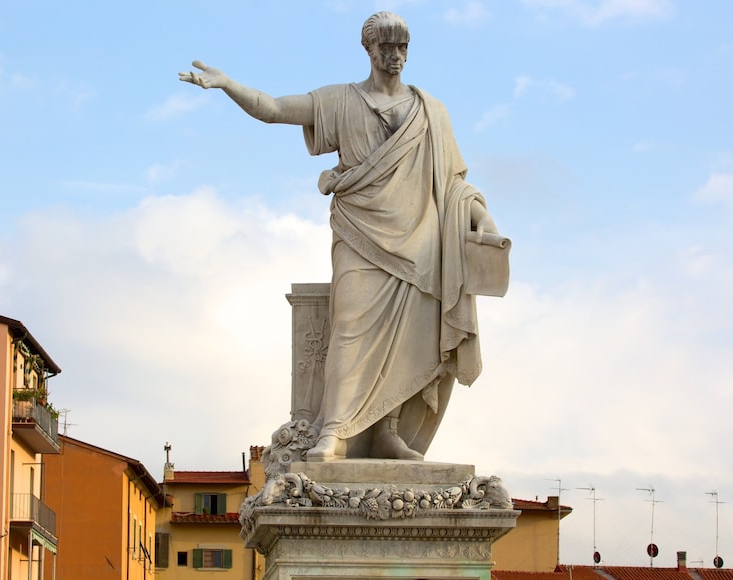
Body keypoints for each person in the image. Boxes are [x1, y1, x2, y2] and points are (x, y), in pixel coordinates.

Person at [180, 11, 501, 461]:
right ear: (369, 50)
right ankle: (334, 431)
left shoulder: (431, 111)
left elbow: (453, 184)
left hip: (420, 245)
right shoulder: (341, 101)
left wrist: (481, 219)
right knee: (350, 329)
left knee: (411, 340)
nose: (395, 56)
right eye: (386, 47)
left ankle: (388, 432)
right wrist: (228, 84)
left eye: (402, 48)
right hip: (361, 234)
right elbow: (273, 110)